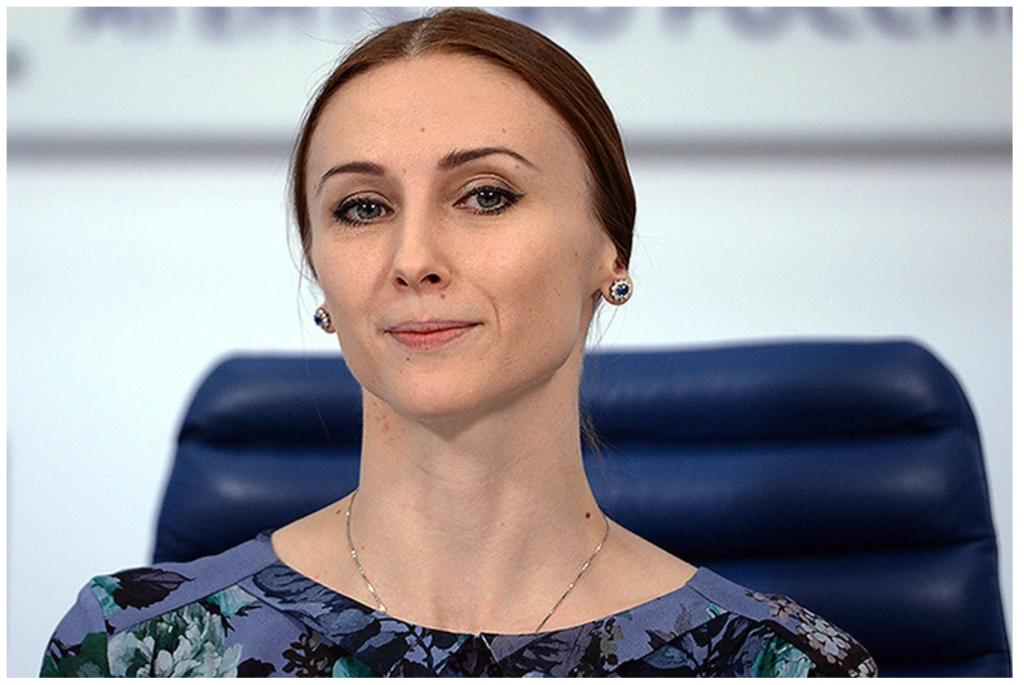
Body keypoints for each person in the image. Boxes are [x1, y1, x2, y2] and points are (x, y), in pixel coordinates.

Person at [41, 8, 876, 677]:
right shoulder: (125, 649)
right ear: (320, 275)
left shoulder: (790, 668)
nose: (413, 260)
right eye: (362, 208)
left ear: (608, 251)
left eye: (485, 195)